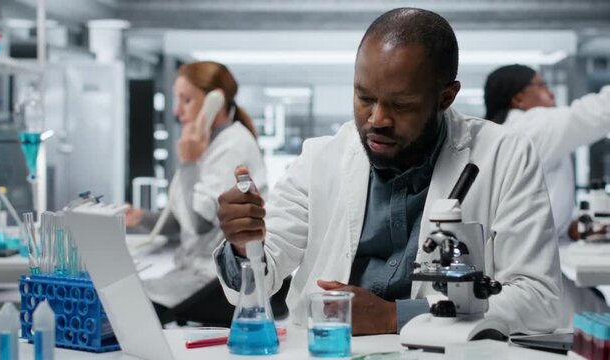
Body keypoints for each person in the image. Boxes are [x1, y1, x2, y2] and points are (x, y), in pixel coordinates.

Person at [213, 8, 561, 335]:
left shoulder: (505, 156)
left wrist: (395, 317)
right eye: (364, 98)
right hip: (328, 348)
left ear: (446, 97)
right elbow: (261, 276)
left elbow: (539, 298)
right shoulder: (319, 159)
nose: (377, 120)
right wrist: (245, 246)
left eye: (402, 104)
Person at [125, 61, 268, 324]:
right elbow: (181, 223)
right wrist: (140, 217)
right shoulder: (209, 144)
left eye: (186, 99)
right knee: (120, 300)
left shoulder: (232, 147)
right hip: (190, 274)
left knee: (125, 311)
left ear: (216, 101)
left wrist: (189, 163)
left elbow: (200, 225)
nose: (176, 110)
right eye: (176, 99)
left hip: (214, 282)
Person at [484, 64, 610, 327]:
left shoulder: (503, 133)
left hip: (507, 271)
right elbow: (596, 112)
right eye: (541, 86)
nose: (550, 93)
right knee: (595, 318)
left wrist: (569, 226)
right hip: (525, 279)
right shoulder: (533, 124)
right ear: (518, 98)